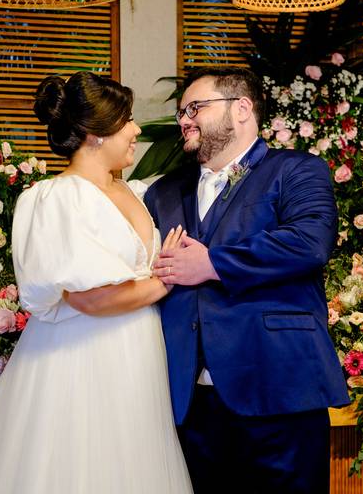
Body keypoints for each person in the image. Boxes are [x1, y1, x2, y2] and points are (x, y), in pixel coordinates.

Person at [0, 71, 193, 494]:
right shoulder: (57, 197)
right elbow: (88, 298)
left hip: (137, 350)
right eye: (128, 120)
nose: (136, 130)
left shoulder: (133, 191)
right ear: (97, 133)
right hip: (83, 355)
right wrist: (167, 281)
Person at [143, 66, 350, 494]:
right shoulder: (162, 193)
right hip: (189, 404)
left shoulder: (296, 170)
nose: (184, 121)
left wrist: (212, 264)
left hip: (278, 390)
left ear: (241, 109)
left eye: (195, 108)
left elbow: (310, 241)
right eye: (181, 112)